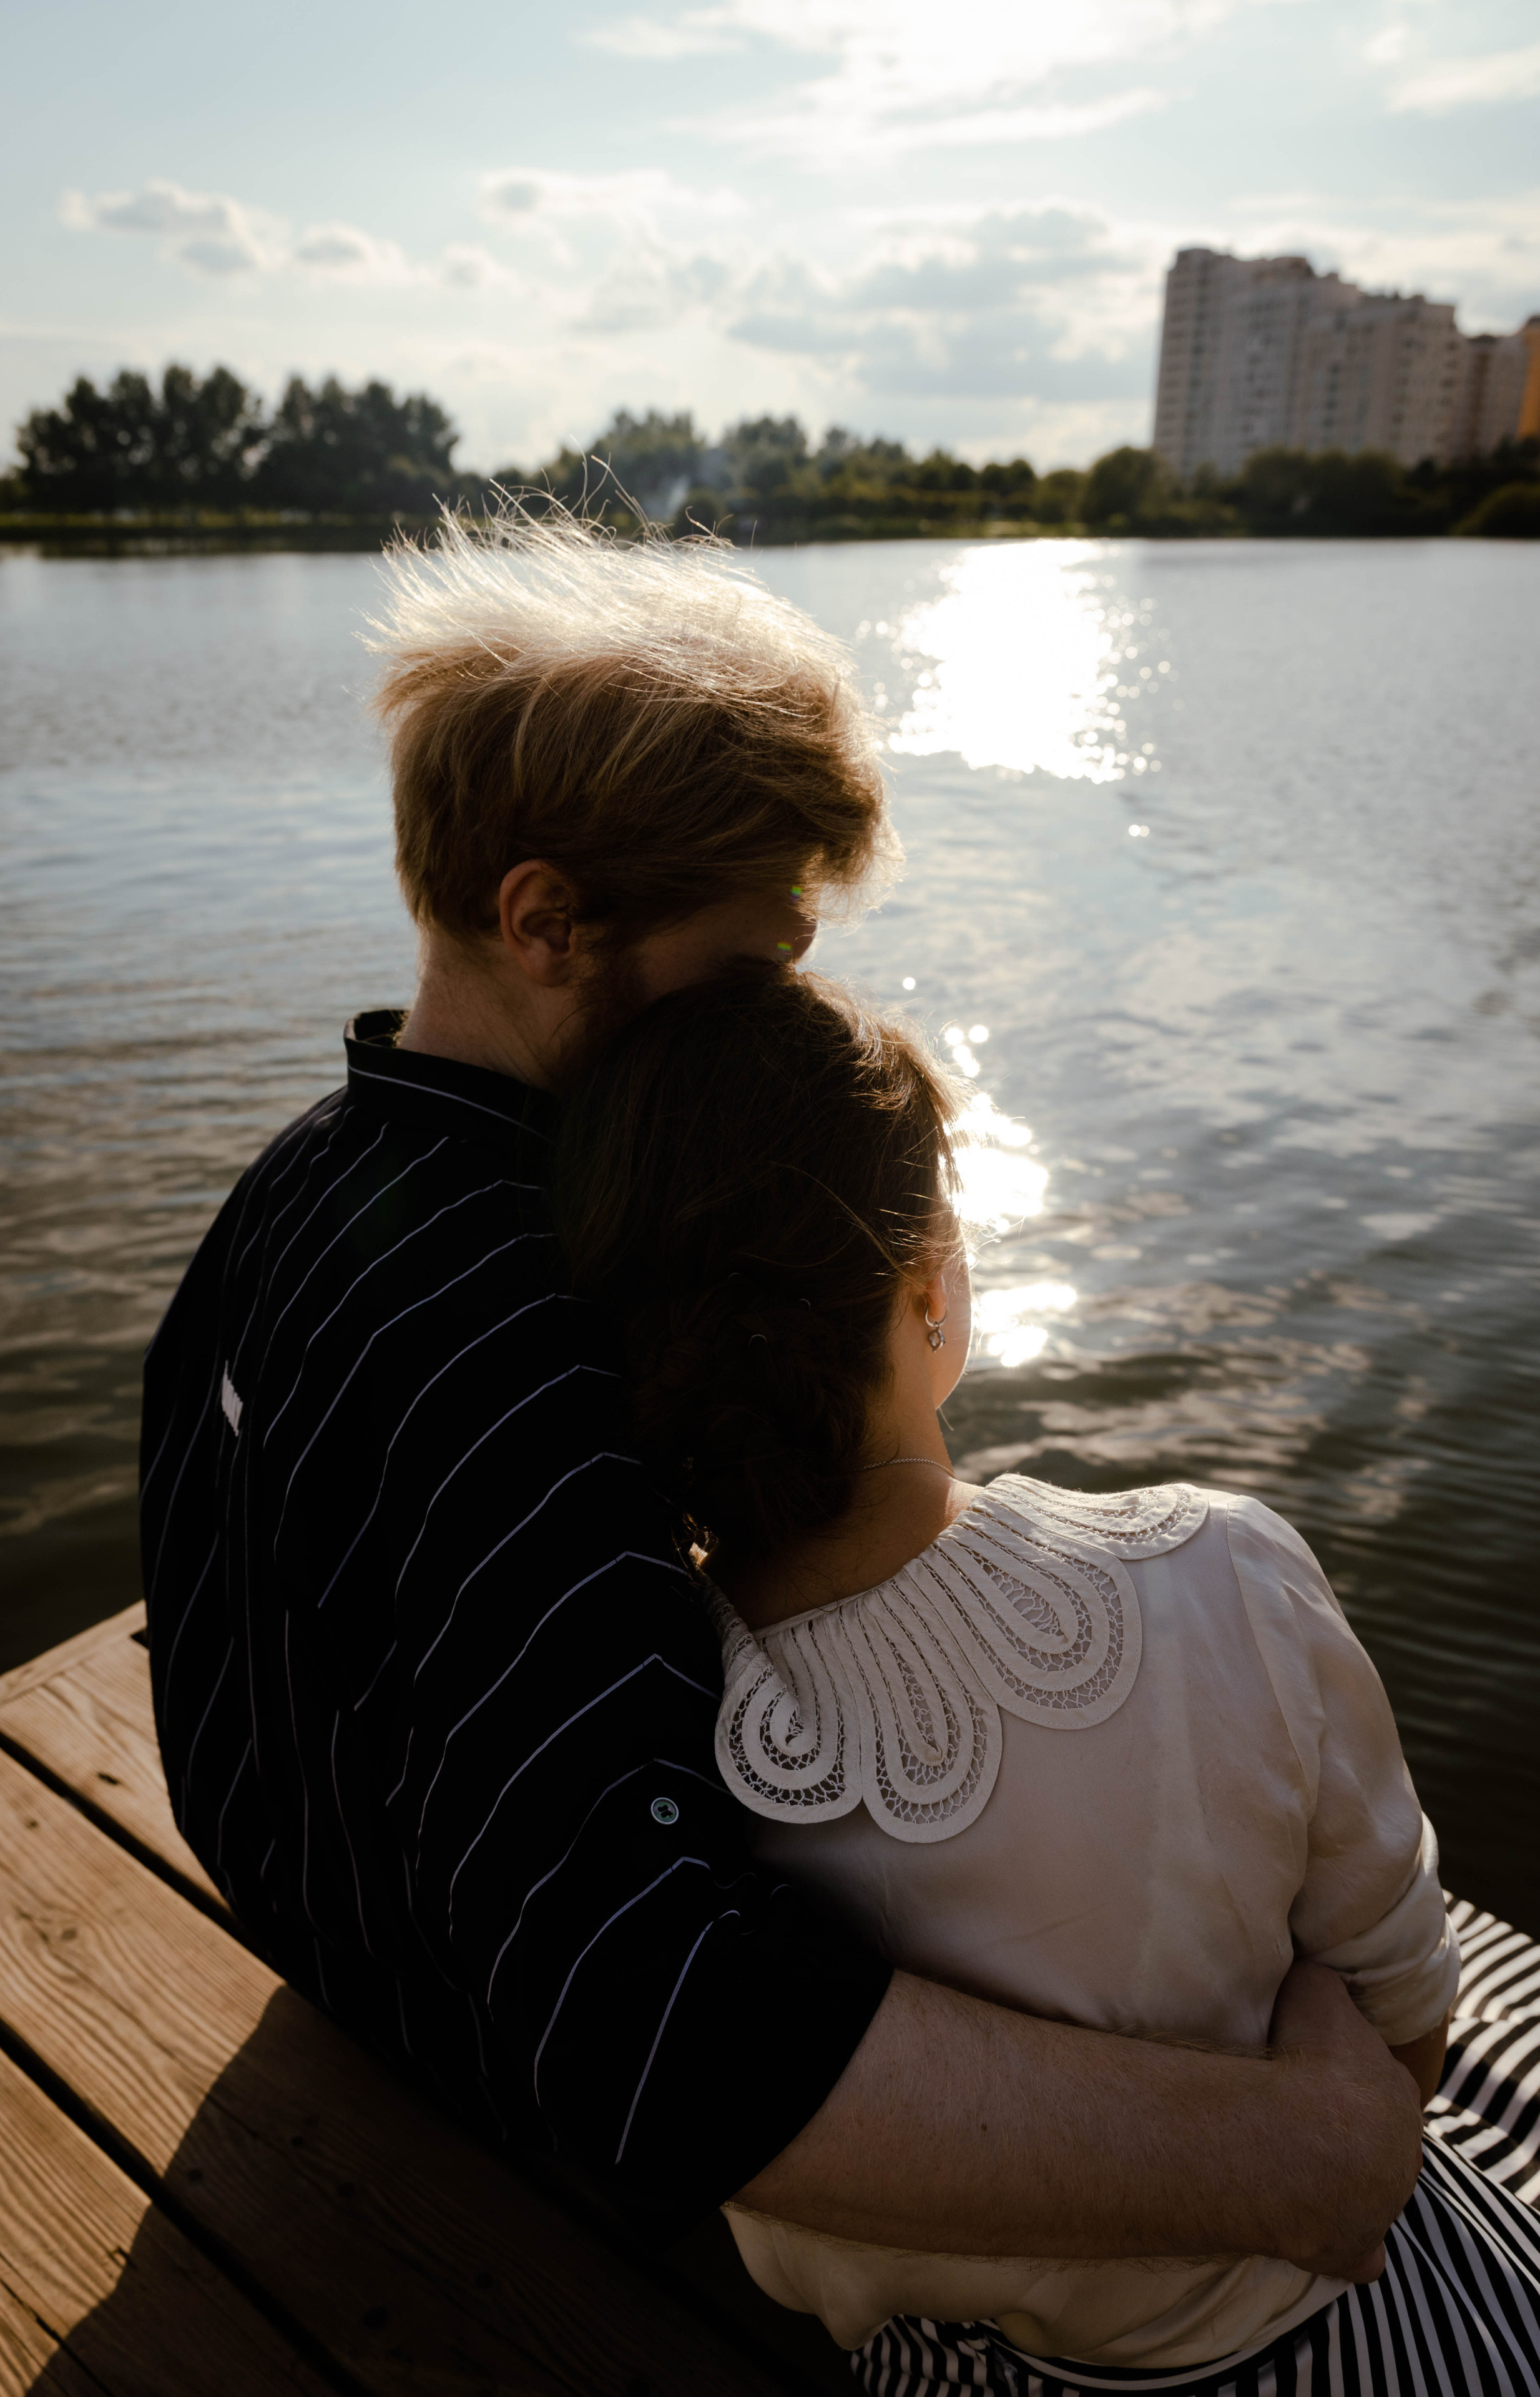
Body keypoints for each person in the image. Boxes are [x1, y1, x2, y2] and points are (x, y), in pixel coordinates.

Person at [141, 511, 1420, 2294]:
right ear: (545, 920)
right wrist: (1298, 2159)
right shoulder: (536, 1338)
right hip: (468, 2076)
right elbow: (640, 2021)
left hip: (323, 1915)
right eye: (751, 973)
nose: (783, 1017)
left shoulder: (302, 1179)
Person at [547, 967, 1540, 2395]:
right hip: (1361, 2319)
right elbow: (1402, 2001)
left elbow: (801, 2259)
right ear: (929, 1294)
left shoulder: (661, 1762)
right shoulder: (1222, 1574)